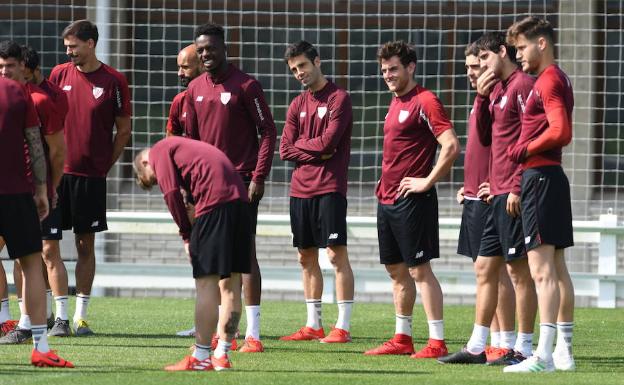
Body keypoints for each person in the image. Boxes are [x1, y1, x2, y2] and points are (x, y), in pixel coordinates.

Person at [439, 31, 537, 366]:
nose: (480, 67)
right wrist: (481, 99)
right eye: (475, 62)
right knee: (485, 267)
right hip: (493, 194)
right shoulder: (494, 93)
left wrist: (516, 187)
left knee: (518, 271)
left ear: (500, 52)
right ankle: (479, 346)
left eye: (484, 60)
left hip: (511, 194)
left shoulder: (523, 85)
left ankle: (523, 348)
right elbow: (484, 139)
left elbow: (532, 139)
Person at [185, 21, 276, 353]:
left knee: (244, 255)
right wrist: (190, 185)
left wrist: (259, 176)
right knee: (214, 258)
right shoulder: (194, 88)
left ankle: (253, 333)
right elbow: (191, 142)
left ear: (225, 49)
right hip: (207, 187)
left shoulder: (246, 86)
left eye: (211, 48)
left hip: (240, 183)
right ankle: (225, 331)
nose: (206, 54)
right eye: (201, 50)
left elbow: (268, 131)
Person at [364, 41, 459, 358]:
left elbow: (450, 146)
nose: (388, 75)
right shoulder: (394, 103)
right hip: (387, 199)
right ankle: (402, 338)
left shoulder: (426, 100)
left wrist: (427, 181)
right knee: (396, 271)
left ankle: (436, 342)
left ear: (411, 67)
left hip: (412, 200)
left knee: (420, 270)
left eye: (393, 68)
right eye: (384, 70)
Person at [133, 137, 251, 371]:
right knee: (232, 284)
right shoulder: (185, 149)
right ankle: (222, 355)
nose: (158, 181)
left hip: (215, 206)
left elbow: (171, 194)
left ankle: (201, 357)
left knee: (206, 284)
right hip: (240, 204)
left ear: (145, 162)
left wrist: (186, 236)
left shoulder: (159, 151)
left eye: (152, 179)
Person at [49, 19, 132, 336]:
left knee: (85, 246)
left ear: (91, 43)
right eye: (66, 46)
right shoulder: (59, 75)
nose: (68, 51)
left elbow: (123, 131)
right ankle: (59, 317)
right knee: (48, 248)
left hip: (90, 178)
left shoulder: (114, 80)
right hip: (57, 177)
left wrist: (103, 166)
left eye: (73, 45)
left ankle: (81, 316)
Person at [504, 16, 576, 373]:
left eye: (521, 47)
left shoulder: (548, 80)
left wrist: (525, 149)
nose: (518, 55)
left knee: (542, 270)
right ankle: (562, 351)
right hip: (549, 178)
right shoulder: (551, 79)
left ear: (541, 43)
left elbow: (562, 131)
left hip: (542, 179)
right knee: (557, 269)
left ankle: (543, 356)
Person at [279, 40, 354, 343]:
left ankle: (343, 327)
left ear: (317, 61)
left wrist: (311, 148)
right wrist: (316, 150)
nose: (299, 72)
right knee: (305, 256)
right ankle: (313, 325)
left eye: (303, 66)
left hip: (329, 188)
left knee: (336, 256)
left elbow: (329, 144)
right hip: (300, 190)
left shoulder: (339, 98)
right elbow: (284, 149)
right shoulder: (297, 104)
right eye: (294, 69)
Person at [0, 74, 73, 367]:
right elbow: (35, 143)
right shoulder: (18, 91)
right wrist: (43, 190)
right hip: (18, 193)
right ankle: (41, 347)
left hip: (16, 190)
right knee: (32, 264)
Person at [456, 41, 517, 364]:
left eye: (477, 65)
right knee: (485, 271)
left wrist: (497, 184)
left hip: (493, 194)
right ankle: (492, 342)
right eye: (468, 66)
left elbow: (506, 147)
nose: (471, 72)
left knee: (499, 271)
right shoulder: (483, 98)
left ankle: (505, 342)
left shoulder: (501, 96)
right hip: (474, 195)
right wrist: (467, 187)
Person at [166, 43, 203, 138]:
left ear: (202, 66)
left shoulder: (217, 98)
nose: (179, 73)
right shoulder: (180, 100)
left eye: (185, 67)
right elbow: (171, 140)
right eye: (179, 67)